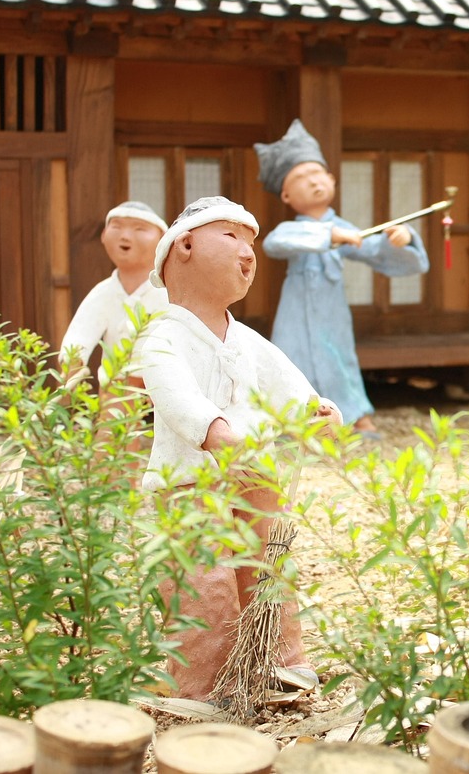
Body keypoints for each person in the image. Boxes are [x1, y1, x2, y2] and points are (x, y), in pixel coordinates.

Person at [138, 195, 342, 702]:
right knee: (202, 580)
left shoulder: (246, 338)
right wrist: (212, 428)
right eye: (231, 238)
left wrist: (313, 409)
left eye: (251, 244)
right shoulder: (164, 334)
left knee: (268, 567)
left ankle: (278, 659)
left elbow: (286, 383)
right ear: (184, 245)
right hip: (192, 479)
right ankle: (204, 680)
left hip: (255, 473)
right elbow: (170, 389)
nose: (248, 254)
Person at [255, 120, 429, 439]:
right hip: (295, 308)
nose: (313, 182)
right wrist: (330, 235)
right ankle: (289, 422)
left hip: (330, 306)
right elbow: (276, 242)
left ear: (332, 178)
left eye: (316, 173)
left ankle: (354, 416)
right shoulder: (298, 229)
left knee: (338, 355)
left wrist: (401, 239)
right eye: (300, 178)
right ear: (286, 195)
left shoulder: (345, 227)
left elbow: (373, 248)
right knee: (290, 358)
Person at [59, 201, 169, 383]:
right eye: (117, 227)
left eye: (140, 229)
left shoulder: (169, 293)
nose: (125, 236)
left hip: (163, 384)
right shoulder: (103, 293)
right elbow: (82, 330)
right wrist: (73, 360)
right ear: (103, 235)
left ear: (162, 238)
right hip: (116, 385)